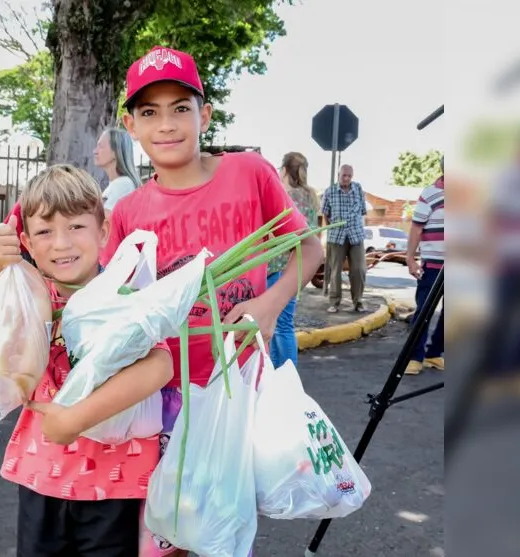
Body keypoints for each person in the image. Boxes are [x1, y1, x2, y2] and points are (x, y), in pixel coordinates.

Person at [104, 45, 323, 556]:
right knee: (164, 531)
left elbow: (308, 248)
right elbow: (116, 303)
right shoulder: (129, 212)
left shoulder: (249, 172)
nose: (167, 124)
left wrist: (269, 304)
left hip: (234, 389)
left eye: (181, 108)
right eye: (149, 112)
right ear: (130, 125)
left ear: (205, 114)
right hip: (161, 397)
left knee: (221, 531)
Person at [0, 164, 173, 556]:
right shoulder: (27, 294)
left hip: (116, 483)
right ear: (26, 241)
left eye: (76, 227)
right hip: (41, 475)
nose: (61, 243)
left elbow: (159, 365)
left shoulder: (126, 293)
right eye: (45, 231)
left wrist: (76, 418)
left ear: (103, 230)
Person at [266, 152, 320, 368]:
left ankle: (279, 377)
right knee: (285, 325)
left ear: (284, 169)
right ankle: (287, 379)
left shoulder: (282, 195)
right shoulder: (310, 196)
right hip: (297, 268)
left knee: (272, 324)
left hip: (275, 267)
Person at [404, 157, 445, 375]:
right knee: (424, 312)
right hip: (433, 267)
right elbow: (416, 228)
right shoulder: (430, 194)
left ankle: (434, 354)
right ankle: (415, 357)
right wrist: (410, 258)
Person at [321, 164, 368, 313]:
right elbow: (325, 214)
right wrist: (331, 229)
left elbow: (362, 211)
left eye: (349, 176)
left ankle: (358, 301)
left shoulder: (358, 189)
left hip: (356, 235)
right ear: (338, 175)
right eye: (344, 176)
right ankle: (334, 302)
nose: (346, 178)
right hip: (337, 236)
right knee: (335, 270)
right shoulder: (330, 192)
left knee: (359, 269)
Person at [93, 128, 142, 211]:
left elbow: (103, 222)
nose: (95, 151)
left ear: (115, 152)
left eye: (100, 146)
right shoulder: (119, 184)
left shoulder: (123, 184)